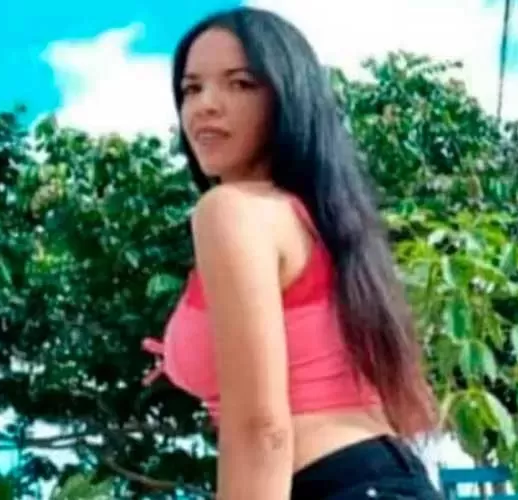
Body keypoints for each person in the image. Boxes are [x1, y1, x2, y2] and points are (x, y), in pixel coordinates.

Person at [142, 6, 442, 499]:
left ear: (287, 98)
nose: (205, 105)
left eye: (240, 83)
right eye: (191, 89)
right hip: (382, 475)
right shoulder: (321, 222)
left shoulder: (230, 210)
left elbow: (261, 430)